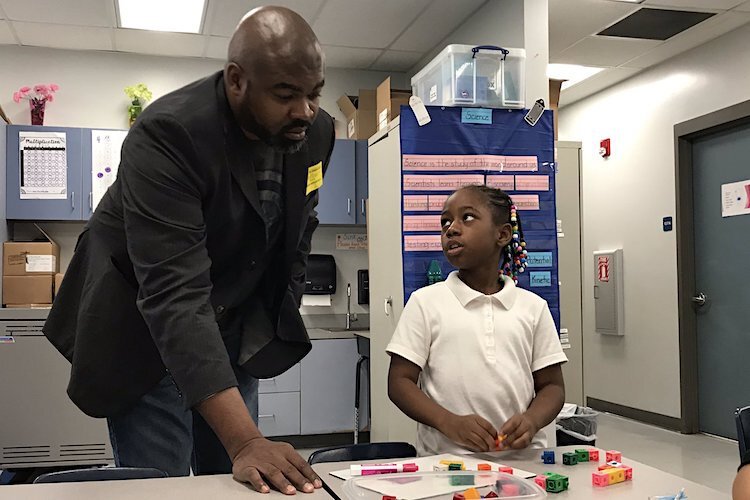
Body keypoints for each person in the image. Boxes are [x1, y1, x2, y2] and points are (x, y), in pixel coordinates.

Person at [43, 6, 333, 494]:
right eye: (285, 94)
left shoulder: (316, 132)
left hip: (233, 326)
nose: (304, 110)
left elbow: (299, 228)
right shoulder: (167, 134)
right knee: (163, 483)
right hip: (145, 330)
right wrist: (246, 442)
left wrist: (264, 319)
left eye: (314, 93)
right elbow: (174, 293)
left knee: (244, 480)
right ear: (237, 80)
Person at [386, 185, 567, 455]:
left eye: (467, 218)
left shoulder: (533, 308)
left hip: (525, 465)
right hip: (447, 464)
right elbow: (399, 382)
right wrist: (448, 422)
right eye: (445, 222)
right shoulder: (425, 303)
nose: (451, 229)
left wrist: (532, 420)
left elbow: (552, 386)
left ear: (503, 234)